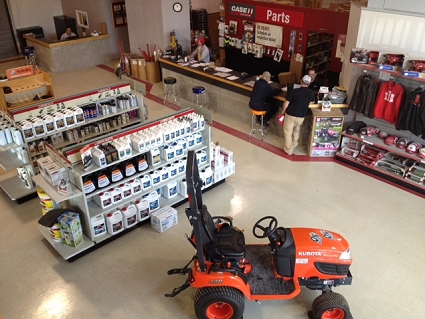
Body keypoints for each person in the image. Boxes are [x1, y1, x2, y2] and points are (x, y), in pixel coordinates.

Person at [280, 75, 315, 155]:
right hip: (301, 116)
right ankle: (294, 144)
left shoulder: (294, 91)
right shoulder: (311, 93)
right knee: (296, 129)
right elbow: (311, 103)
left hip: (290, 114)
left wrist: (282, 112)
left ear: (300, 81)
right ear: (309, 83)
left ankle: (289, 149)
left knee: (288, 132)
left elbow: (286, 103)